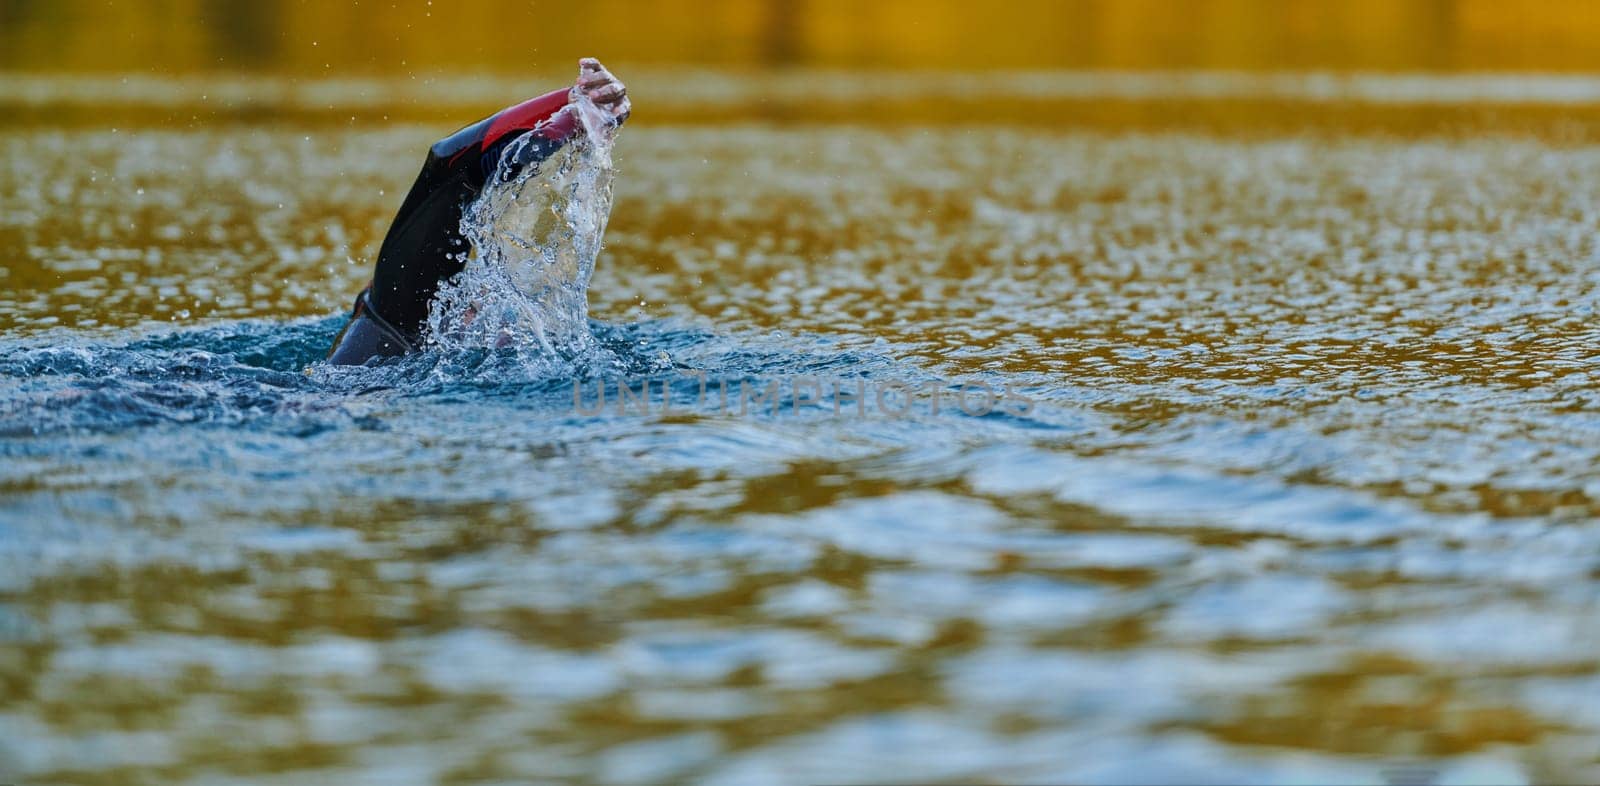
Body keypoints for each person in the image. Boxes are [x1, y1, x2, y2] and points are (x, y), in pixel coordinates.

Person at [326, 58, 631, 365]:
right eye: (471, 306)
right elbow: (447, 165)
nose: (480, 307)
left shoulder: (432, 351)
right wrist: (572, 109)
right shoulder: (397, 318)